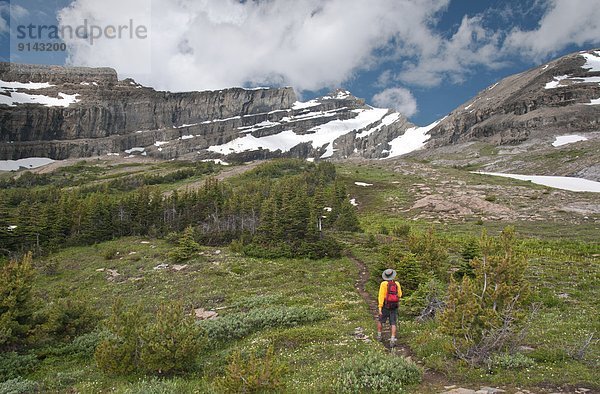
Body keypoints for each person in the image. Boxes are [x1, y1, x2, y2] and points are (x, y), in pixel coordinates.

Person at [377, 268, 402, 346]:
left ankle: (379, 336)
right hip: (394, 305)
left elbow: (381, 296)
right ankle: (392, 339)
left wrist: (380, 307)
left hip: (385, 304)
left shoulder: (383, 284)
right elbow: (400, 295)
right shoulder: (397, 283)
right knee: (393, 322)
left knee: (381, 320)